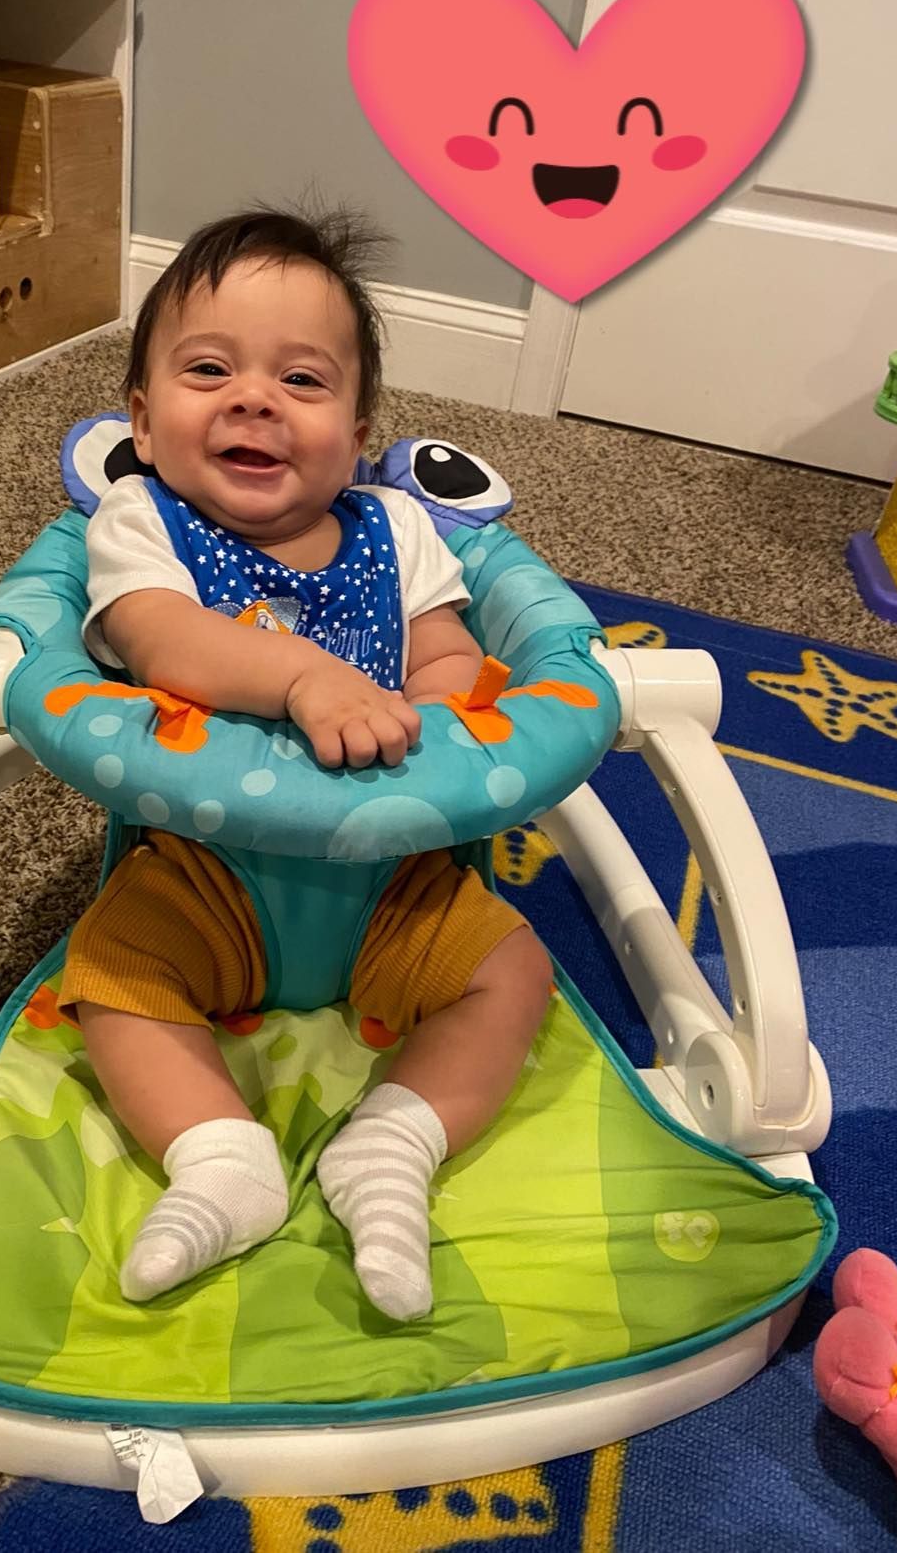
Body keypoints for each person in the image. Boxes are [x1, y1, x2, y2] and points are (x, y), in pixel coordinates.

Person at [59, 206, 552, 1322]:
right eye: (208, 369)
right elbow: (158, 639)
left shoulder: (398, 531)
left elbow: (445, 650)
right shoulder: (144, 522)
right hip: (206, 872)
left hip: (389, 874)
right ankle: (222, 1161)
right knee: (112, 977)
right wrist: (299, 678)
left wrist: (441, 709)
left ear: (361, 424)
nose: (254, 400)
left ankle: (390, 1146)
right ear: (142, 415)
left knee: (513, 970)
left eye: (303, 380)